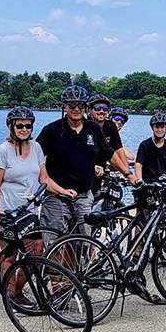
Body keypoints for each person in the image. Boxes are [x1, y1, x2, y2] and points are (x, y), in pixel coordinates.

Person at [0, 106, 75, 298]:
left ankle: (17, 291)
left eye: (28, 126)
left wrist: (63, 191)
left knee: (36, 254)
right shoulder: (2, 151)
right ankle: (11, 297)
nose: (24, 129)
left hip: (29, 213)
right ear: (11, 127)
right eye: (20, 126)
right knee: (10, 256)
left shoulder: (36, 148)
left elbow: (43, 179)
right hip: (8, 214)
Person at [35, 85, 114, 235]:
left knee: (83, 242)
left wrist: (129, 175)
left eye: (80, 105)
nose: (76, 109)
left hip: (84, 196)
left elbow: (110, 154)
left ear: (85, 107)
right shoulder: (51, 131)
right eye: (72, 105)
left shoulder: (94, 129)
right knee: (54, 241)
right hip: (56, 196)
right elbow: (35, 158)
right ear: (65, 106)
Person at [87, 94, 134, 184]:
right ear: (90, 110)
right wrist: (92, 166)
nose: (101, 111)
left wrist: (128, 174)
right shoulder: (84, 126)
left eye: (105, 109)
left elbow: (119, 149)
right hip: (86, 170)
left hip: (102, 170)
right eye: (97, 108)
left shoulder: (110, 126)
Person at [135, 112, 166, 183]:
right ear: (152, 128)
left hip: (164, 185)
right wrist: (139, 180)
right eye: (157, 127)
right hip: (147, 185)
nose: (160, 130)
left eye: (162, 127)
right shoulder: (144, 145)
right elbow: (138, 164)